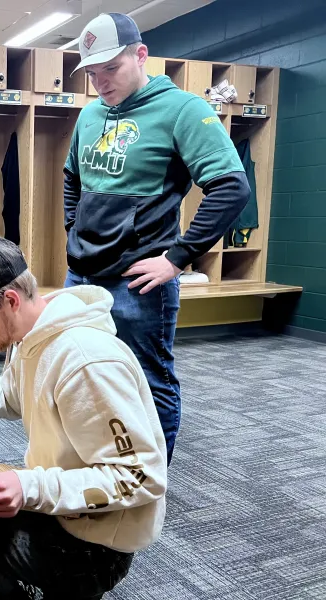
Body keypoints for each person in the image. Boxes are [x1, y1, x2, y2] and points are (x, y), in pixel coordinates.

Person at [0, 235, 167, 599]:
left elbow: (141, 477)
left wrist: (29, 487)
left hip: (93, 546)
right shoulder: (32, 337)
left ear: (10, 301)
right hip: (59, 508)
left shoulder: (86, 361)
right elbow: (12, 393)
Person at [63, 13, 250, 462]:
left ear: (140, 54)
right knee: (87, 374)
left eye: (111, 68)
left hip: (138, 282)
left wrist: (177, 259)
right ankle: (100, 464)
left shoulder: (183, 109)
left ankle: (149, 485)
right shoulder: (90, 114)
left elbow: (231, 187)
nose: (100, 81)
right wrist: (74, 228)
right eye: (92, 72)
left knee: (149, 380)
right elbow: (73, 176)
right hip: (82, 275)